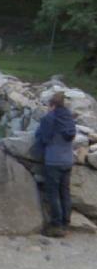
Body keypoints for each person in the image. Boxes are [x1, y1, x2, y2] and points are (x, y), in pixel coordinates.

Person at [35, 91, 77, 237]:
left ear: (52, 105)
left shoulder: (49, 118)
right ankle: (66, 223)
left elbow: (43, 138)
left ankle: (56, 225)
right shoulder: (68, 118)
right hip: (67, 160)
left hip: (53, 160)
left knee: (53, 193)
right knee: (65, 192)